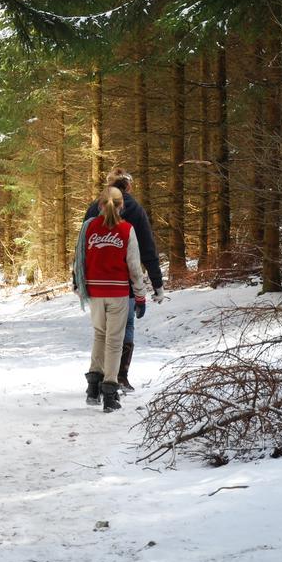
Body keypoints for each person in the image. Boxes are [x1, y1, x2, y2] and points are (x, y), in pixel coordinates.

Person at [83, 168, 164, 391]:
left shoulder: (94, 206)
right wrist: (156, 284)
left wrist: (80, 281)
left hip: (96, 283)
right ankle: (118, 376)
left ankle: (97, 379)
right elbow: (147, 249)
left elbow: (82, 249)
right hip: (124, 284)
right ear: (128, 186)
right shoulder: (135, 210)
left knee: (101, 331)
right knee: (123, 329)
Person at [73, 186, 148, 412]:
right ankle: (110, 392)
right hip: (117, 294)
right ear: (121, 205)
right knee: (114, 341)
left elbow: (80, 260)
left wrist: (79, 285)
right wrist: (140, 295)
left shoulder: (89, 228)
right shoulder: (127, 229)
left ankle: (93, 387)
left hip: (95, 292)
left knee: (99, 335)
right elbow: (134, 267)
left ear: (100, 204)